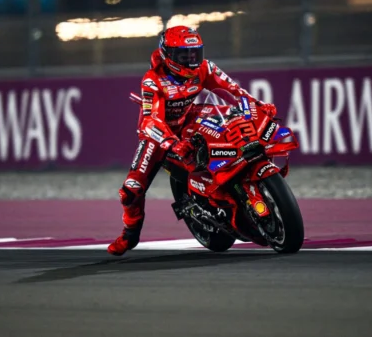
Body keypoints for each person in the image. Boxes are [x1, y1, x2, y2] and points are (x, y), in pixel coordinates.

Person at [108, 25, 277, 256]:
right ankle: (130, 234)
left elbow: (233, 90)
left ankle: (236, 178)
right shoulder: (152, 80)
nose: (191, 61)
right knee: (131, 190)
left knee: (231, 118)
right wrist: (172, 143)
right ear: (167, 54)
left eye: (195, 54)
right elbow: (150, 121)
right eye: (183, 56)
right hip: (159, 134)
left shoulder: (204, 68)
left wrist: (257, 105)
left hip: (190, 118)